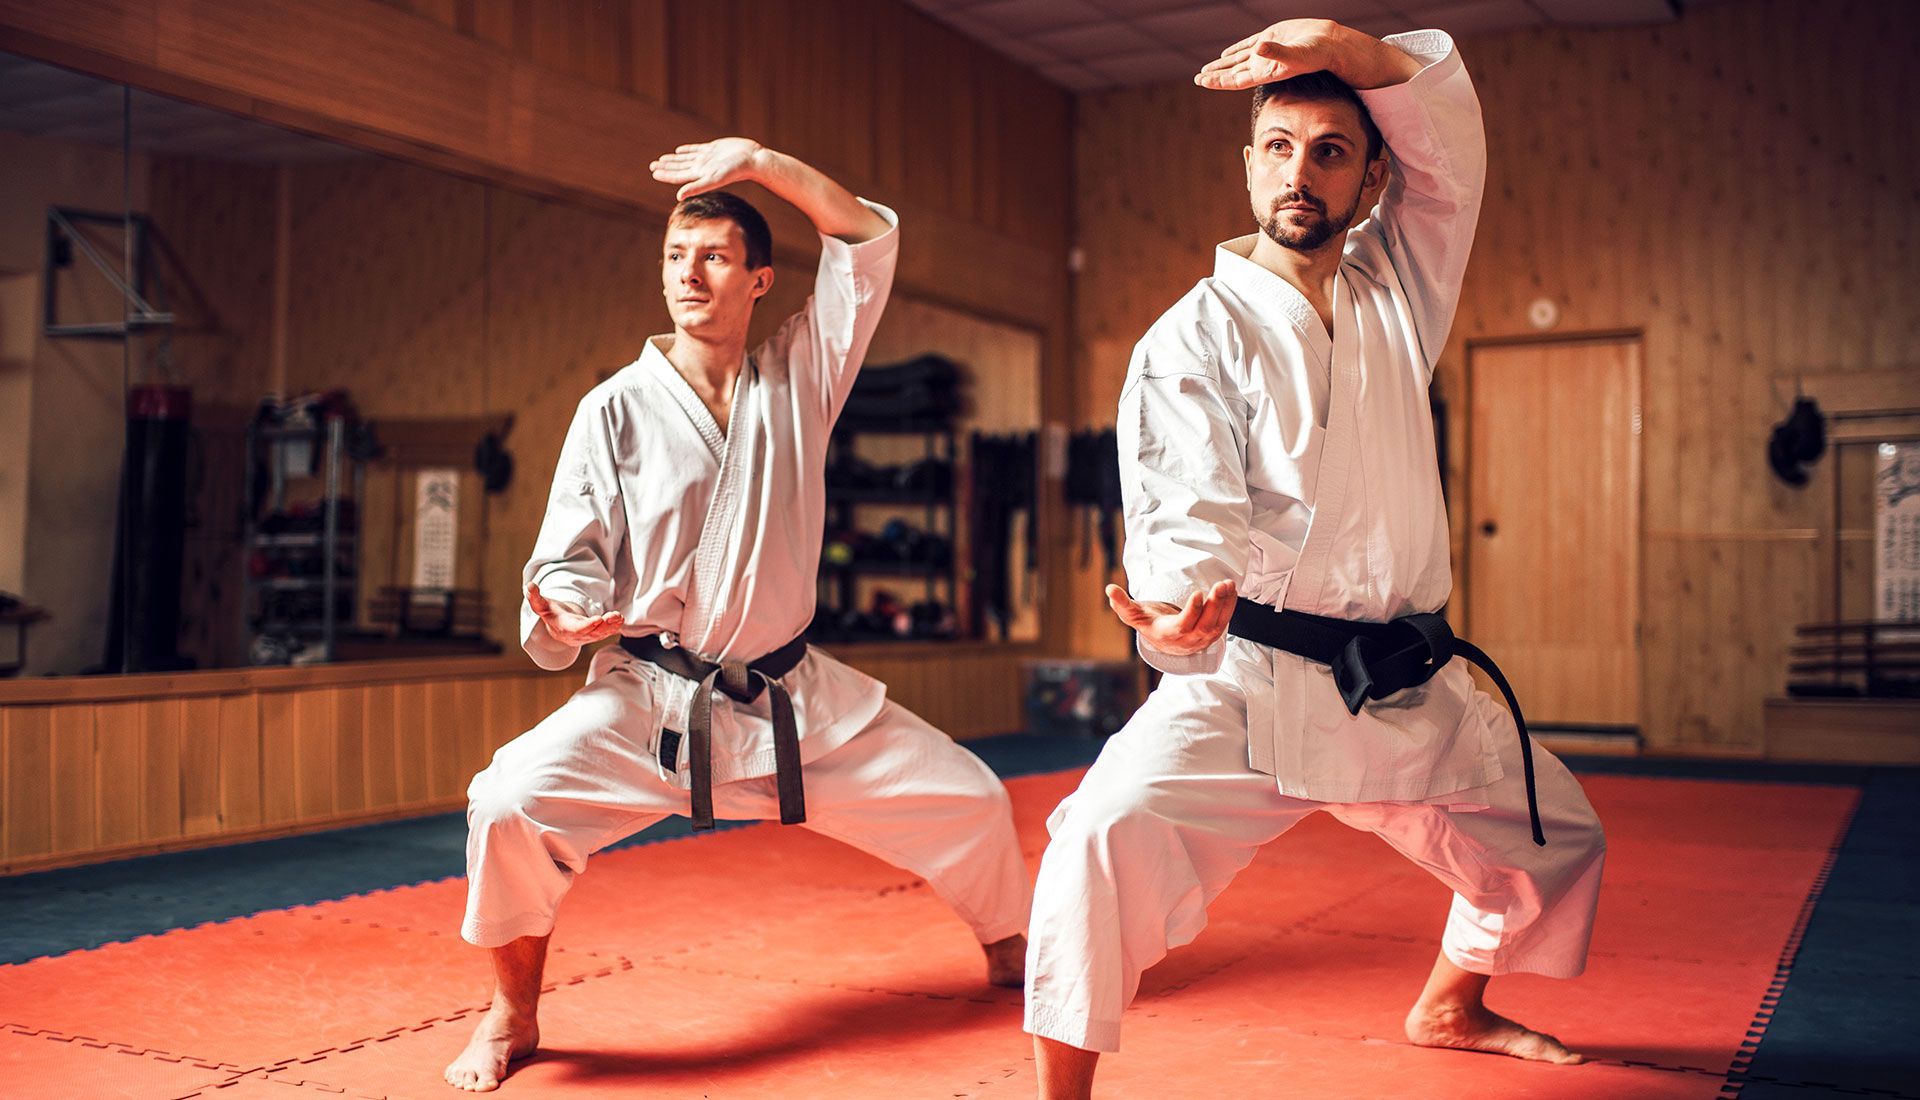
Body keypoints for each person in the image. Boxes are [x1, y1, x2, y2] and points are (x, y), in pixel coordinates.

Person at [1022, 20, 1607, 1098]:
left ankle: (1450, 1002)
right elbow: (1181, 506)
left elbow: (1454, 157)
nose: (1301, 172)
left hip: (1398, 681)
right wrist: (1177, 608)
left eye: (1330, 150)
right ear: (1247, 162)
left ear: (1370, 171)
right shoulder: (1187, 338)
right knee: (1098, 842)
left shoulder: (1399, 287)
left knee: (1554, 830)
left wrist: (1344, 40)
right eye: (1280, 146)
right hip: (1251, 684)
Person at [444, 138, 1030, 1092]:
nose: (690, 275)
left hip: (793, 693)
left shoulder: (802, 375)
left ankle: (1008, 950)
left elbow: (867, 237)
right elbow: (563, 561)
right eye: (677, 257)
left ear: (759, 280)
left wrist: (759, 162)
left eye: (714, 256)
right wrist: (572, 613)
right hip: (649, 700)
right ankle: (513, 1011)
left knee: (973, 798)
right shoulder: (613, 410)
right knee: (507, 804)